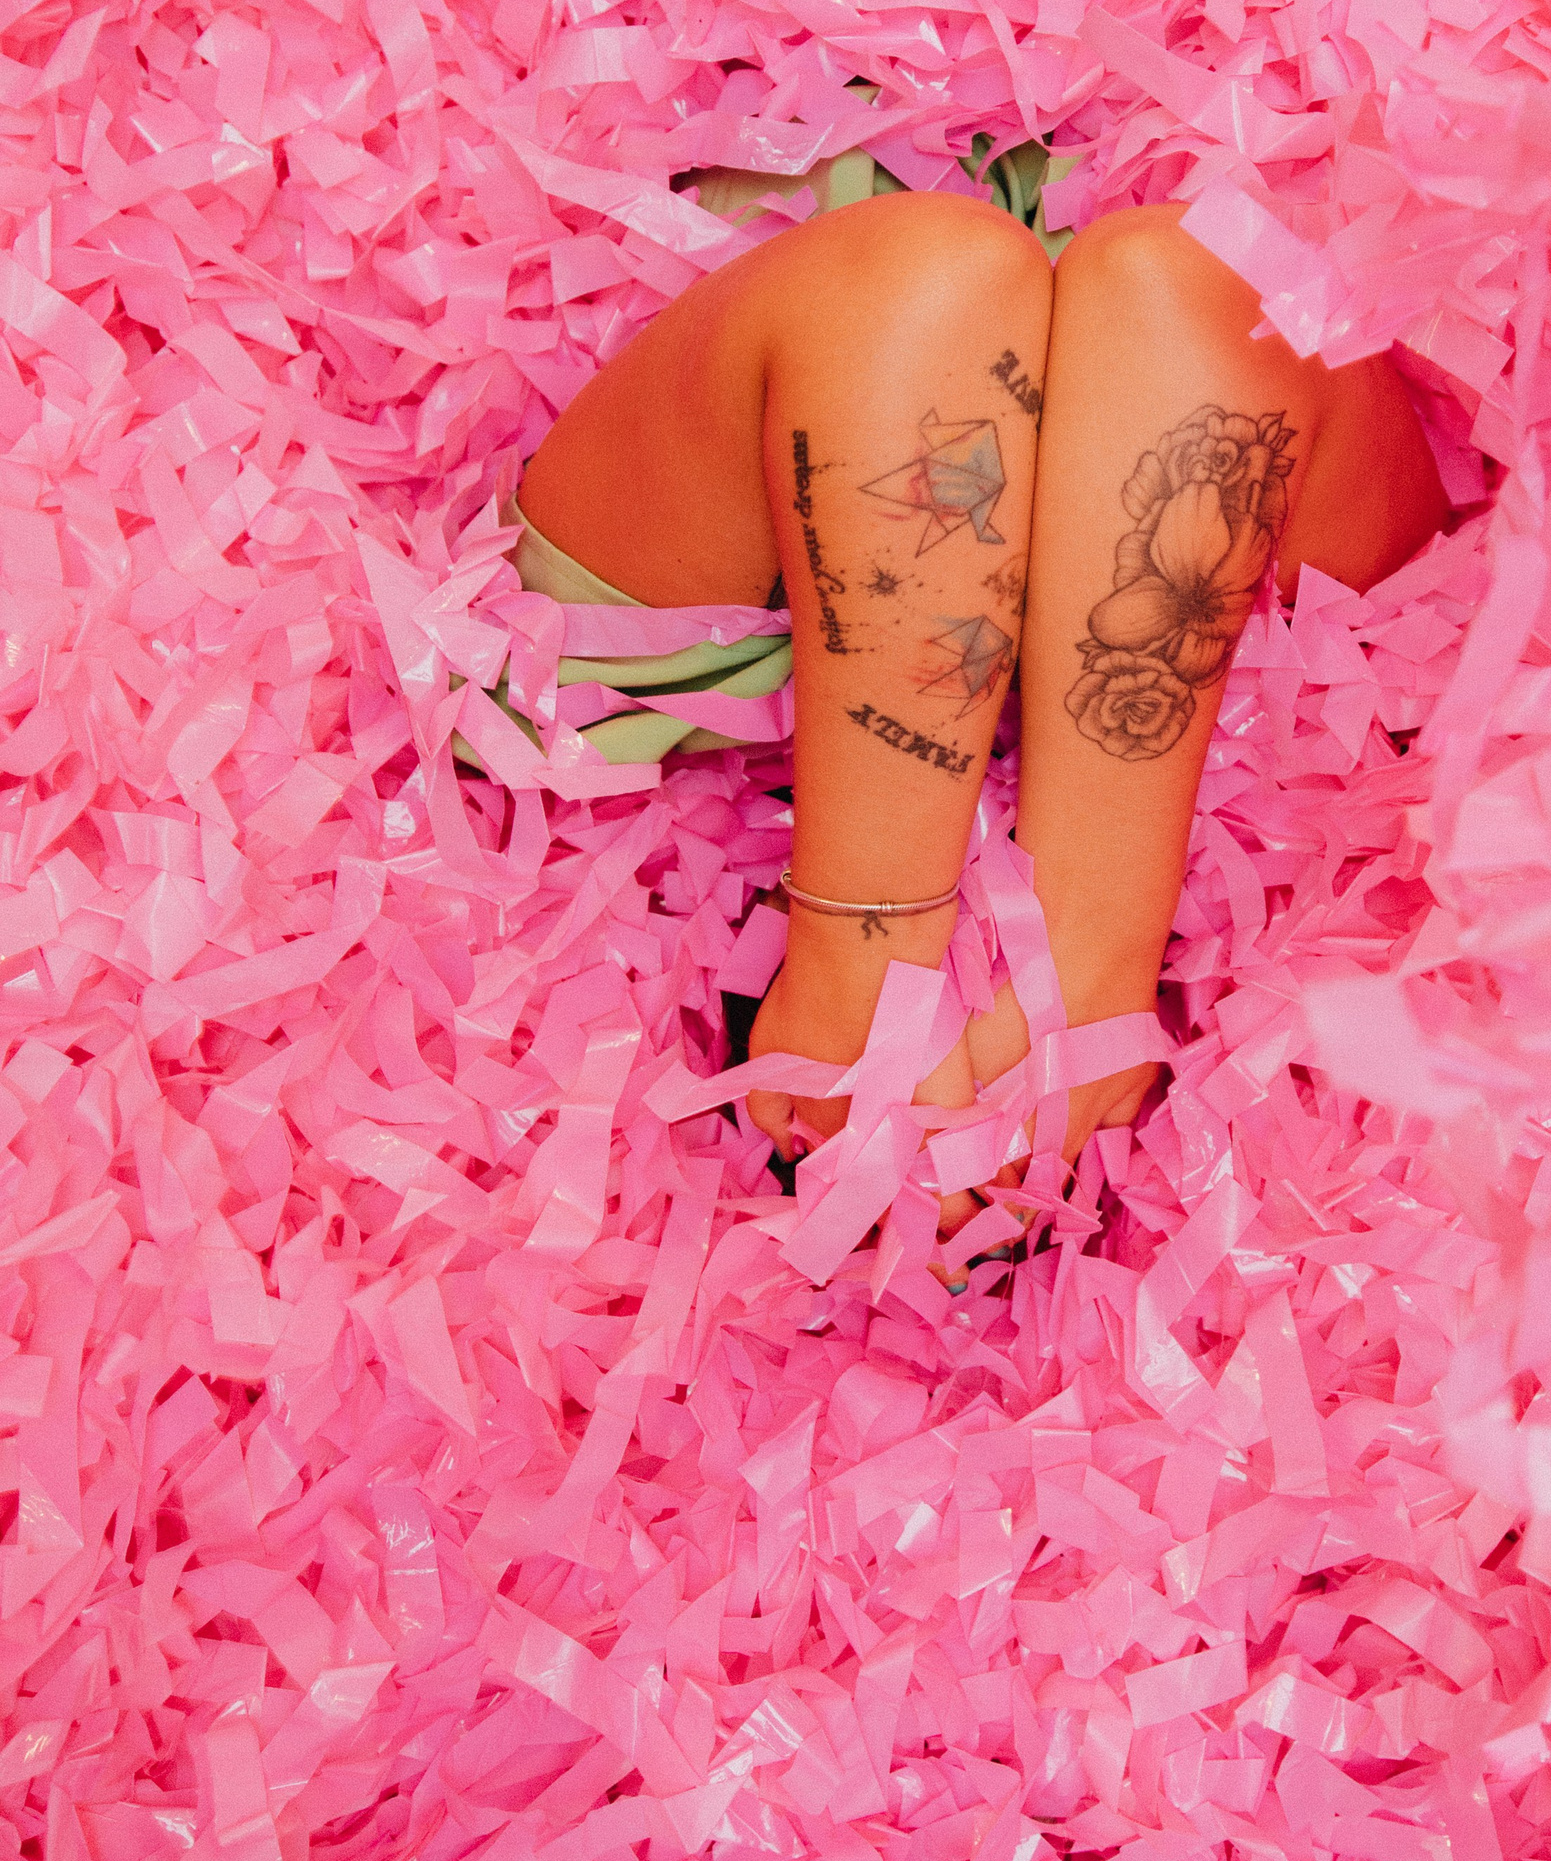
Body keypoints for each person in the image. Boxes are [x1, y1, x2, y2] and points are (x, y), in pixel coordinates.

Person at [513, 172, 1449, 1237]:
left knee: (1030, 284)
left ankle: (922, 965)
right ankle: (1052, 974)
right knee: (1124, 287)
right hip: (755, 547)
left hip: (1234, 683)